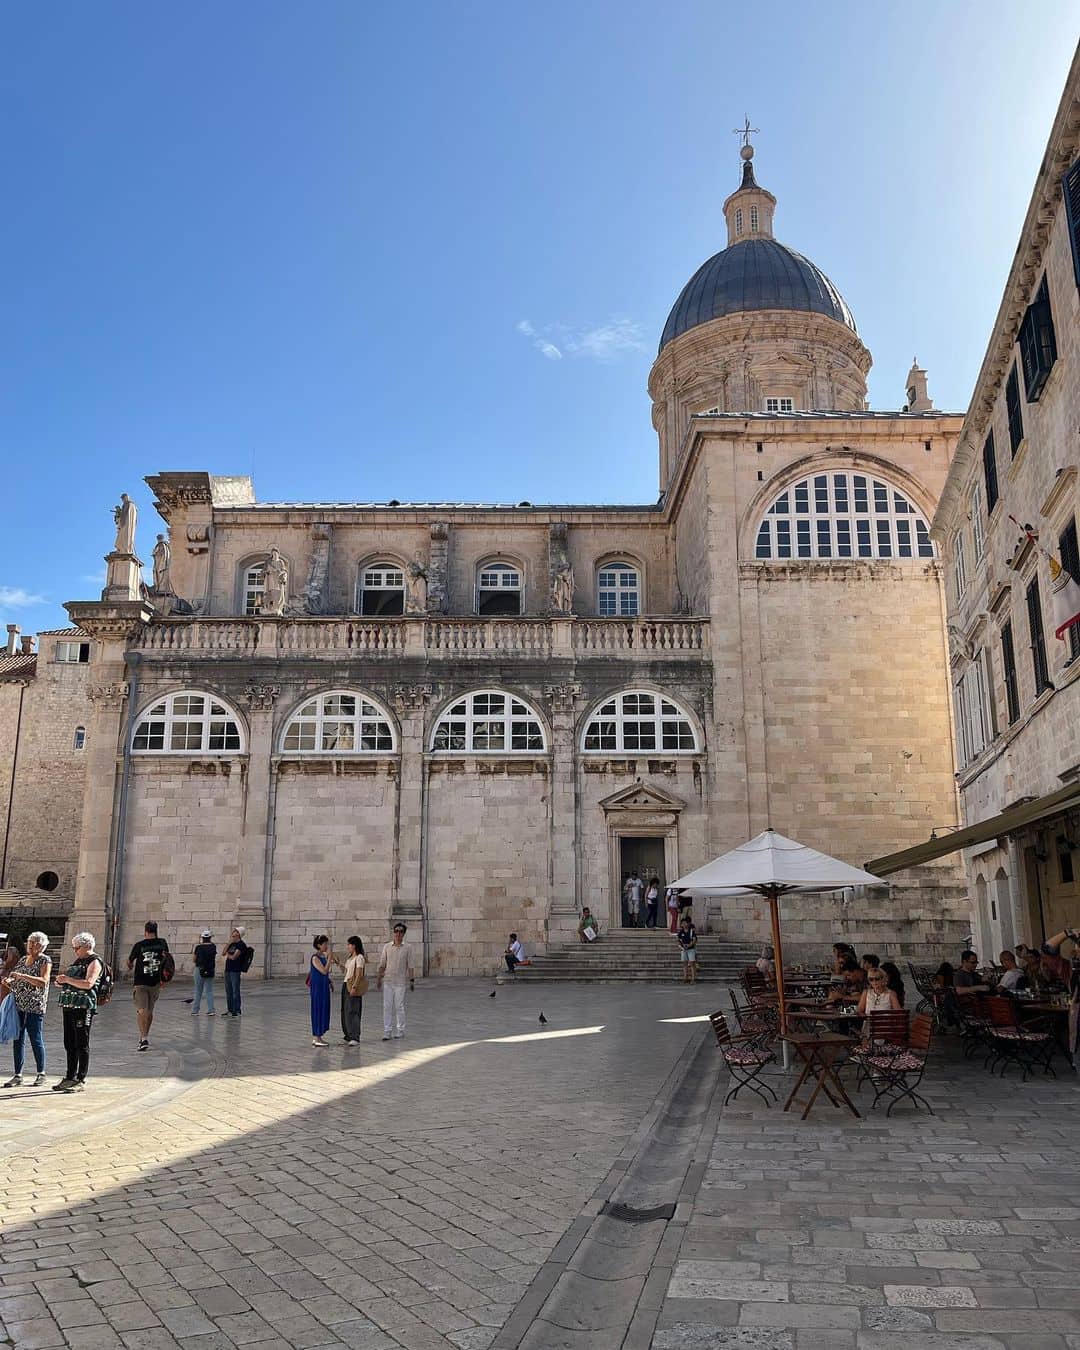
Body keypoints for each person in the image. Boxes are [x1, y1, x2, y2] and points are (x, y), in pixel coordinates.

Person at [53, 932, 102, 1093]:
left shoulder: (94, 961)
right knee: (69, 1042)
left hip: (83, 1006)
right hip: (69, 1005)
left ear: (87, 946)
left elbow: (89, 983)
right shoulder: (78, 960)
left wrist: (67, 980)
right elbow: (72, 980)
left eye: (77, 948)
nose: (75, 951)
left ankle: (81, 1078)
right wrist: (62, 982)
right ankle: (69, 1076)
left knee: (82, 1042)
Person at [2, 931, 52, 1087]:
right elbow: (15, 976)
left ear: (42, 946)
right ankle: (18, 1075)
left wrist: (22, 976)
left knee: (35, 1038)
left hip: (35, 1005)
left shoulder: (45, 960)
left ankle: (41, 1073)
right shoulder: (24, 959)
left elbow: (43, 981)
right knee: (18, 1038)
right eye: (30, 942)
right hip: (18, 1003)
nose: (31, 945)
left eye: (35, 943)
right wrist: (8, 980)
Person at [127, 920, 170, 1050]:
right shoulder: (162, 943)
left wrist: (130, 965)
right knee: (149, 1011)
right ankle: (144, 1037)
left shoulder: (139, 945)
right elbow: (167, 959)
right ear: (156, 931)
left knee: (142, 1011)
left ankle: (143, 1037)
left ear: (145, 931)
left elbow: (129, 962)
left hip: (140, 981)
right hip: (156, 982)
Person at [377, 922, 415, 1041]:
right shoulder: (387, 947)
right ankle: (387, 1031)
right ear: (393, 932)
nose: (398, 933)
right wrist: (379, 978)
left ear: (404, 933)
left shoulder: (408, 947)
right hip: (388, 980)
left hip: (400, 982)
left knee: (399, 1006)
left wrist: (412, 980)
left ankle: (400, 1030)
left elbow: (411, 965)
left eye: (401, 931)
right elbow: (382, 963)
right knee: (387, 1006)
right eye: (396, 931)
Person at [341, 936, 366, 1045]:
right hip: (346, 984)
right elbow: (346, 972)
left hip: (352, 985)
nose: (348, 947)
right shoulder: (350, 958)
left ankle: (355, 1036)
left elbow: (359, 974)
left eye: (349, 945)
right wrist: (338, 963)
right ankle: (348, 1034)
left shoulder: (359, 957)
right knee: (345, 1010)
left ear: (354, 945)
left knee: (353, 1010)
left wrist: (354, 987)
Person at [309, 935, 332, 1046]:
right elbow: (324, 971)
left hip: (323, 986)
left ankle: (320, 1036)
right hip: (318, 989)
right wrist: (329, 959)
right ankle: (316, 1037)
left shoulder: (322, 956)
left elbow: (327, 973)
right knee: (318, 1009)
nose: (326, 946)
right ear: (319, 945)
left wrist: (329, 981)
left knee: (324, 1009)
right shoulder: (315, 958)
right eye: (325, 944)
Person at [222, 926, 247, 1017]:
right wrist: (229, 943)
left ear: (239, 934)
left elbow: (233, 957)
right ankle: (230, 1009)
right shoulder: (231, 944)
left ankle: (237, 1010)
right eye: (234, 931)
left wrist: (228, 955)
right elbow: (223, 953)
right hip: (228, 969)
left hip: (235, 970)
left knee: (235, 991)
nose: (233, 932)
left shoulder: (241, 945)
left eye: (236, 931)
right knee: (228, 991)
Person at [191, 930, 217, 1016]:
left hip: (199, 969)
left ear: (202, 938)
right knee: (209, 990)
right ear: (210, 938)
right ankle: (211, 1010)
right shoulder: (213, 946)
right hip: (210, 969)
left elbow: (194, 959)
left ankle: (195, 1010)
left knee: (198, 990)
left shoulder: (198, 947)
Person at [677, 913, 698, 983]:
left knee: (692, 964)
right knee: (684, 964)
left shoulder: (691, 931)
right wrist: (681, 946)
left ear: (687, 923)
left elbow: (694, 940)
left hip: (691, 949)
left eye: (685, 923)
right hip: (684, 949)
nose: (684, 924)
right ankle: (685, 978)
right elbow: (678, 940)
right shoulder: (681, 932)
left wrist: (689, 945)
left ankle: (693, 979)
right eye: (682, 923)